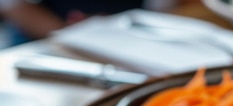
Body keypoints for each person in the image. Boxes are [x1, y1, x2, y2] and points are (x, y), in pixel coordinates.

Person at [0, 0, 197, 46]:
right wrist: (72, 33)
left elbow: (163, 7)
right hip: (44, 42)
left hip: (129, 42)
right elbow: (13, 5)